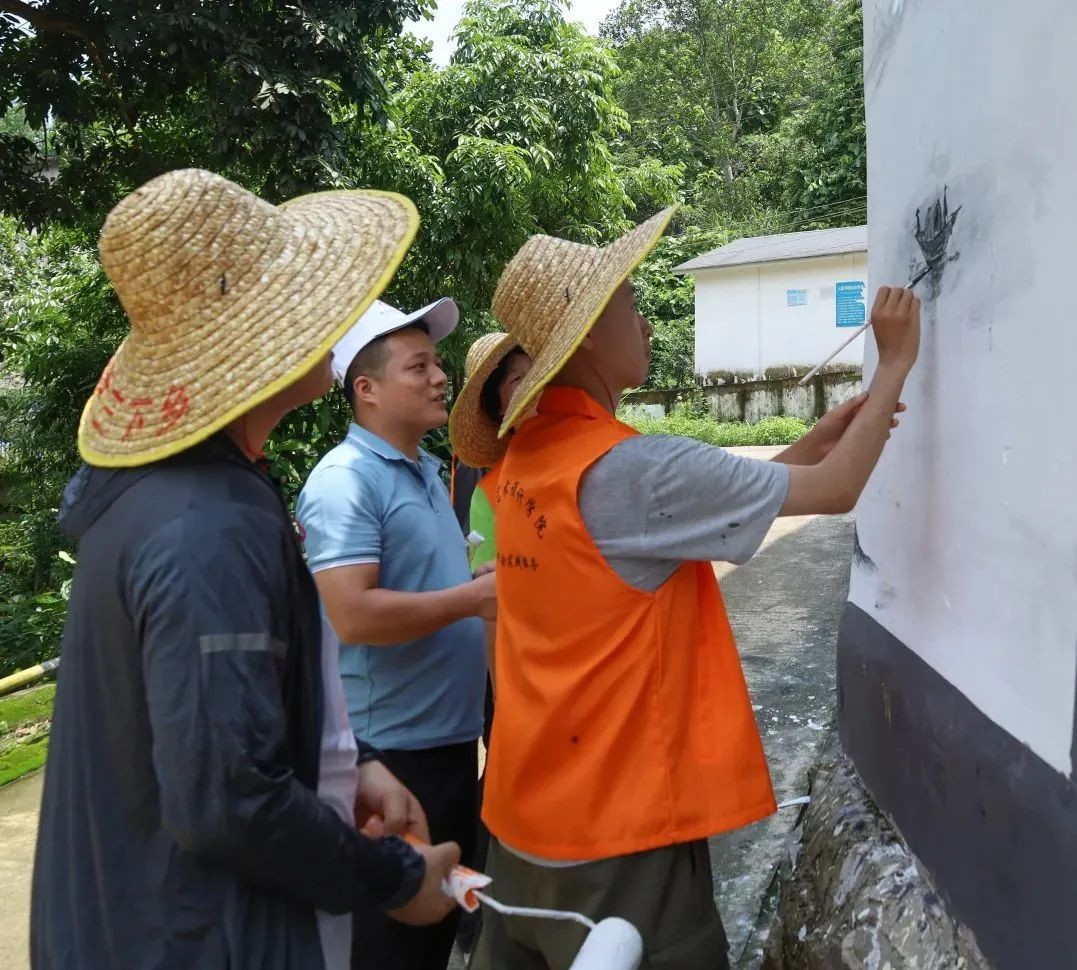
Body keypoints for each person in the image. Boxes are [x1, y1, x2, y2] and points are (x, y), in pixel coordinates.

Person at [30, 169, 463, 970]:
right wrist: (395, 879)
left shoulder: (174, 495)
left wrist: (353, 762)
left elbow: (231, 716)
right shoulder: (208, 527)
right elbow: (226, 796)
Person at [471, 209, 920, 970]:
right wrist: (896, 363)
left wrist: (814, 442)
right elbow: (838, 490)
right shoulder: (631, 467)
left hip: (522, 815)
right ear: (587, 337)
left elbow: (693, 508)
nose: (647, 324)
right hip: (617, 831)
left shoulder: (529, 465)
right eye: (630, 305)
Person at [296, 299, 494, 970]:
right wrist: (470, 599)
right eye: (418, 367)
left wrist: (469, 580)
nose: (440, 377)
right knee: (391, 949)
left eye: (437, 363)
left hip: (445, 744)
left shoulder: (423, 471)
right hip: (391, 761)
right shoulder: (345, 481)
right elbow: (351, 613)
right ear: (367, 388)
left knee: (434, 933)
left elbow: (417, 585)